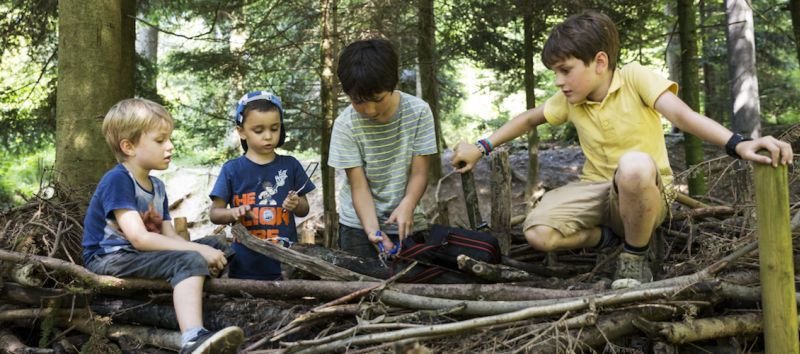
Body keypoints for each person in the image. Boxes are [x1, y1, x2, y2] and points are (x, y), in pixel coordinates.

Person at [451, 11, 793, 289]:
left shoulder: (635, 78)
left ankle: (634, 256)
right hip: (596, 191)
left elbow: (683, 116)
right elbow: (529, 118)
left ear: (600, 62)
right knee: (538, 233)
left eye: (565, 70)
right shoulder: (572, 100)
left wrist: (739, 143)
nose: (558, 80)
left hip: (647, 189)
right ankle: (607, 238)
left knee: (633, 166)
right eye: (555, 72)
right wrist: (481, 147)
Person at [82, 98, 243, 354]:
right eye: (160, 140)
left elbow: (169, 235)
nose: (170, 146)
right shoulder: (118, 180)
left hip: (140, 256)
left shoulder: (157, 187)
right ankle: (192, 338)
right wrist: (195, 253)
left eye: (169, 139)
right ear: (129, 146)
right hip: (109, 258)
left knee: (216, 245)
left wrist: (201, 249)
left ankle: (215, 302)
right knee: (189, 258)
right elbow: (139, 238)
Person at [328, 38, 439, 259]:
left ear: (392, 86)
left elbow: (419, 172)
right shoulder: (345, 125)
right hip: (358, 226)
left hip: (408, 221)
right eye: (358, 101)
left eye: (377, 100)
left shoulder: (418, 112)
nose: (369, 110)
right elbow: (359, 186)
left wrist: (408, 203)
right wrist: (373, 231)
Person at [209, 91, 314, 280]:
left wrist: (296, 203)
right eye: (259, 130)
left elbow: (304, 209)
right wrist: (232, 213)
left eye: (274, 129)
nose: (268, 136)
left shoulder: (290, 165)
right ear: (241, 131)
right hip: (244, 263)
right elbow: (215, 213)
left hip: (285, 264)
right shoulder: (232, 169)